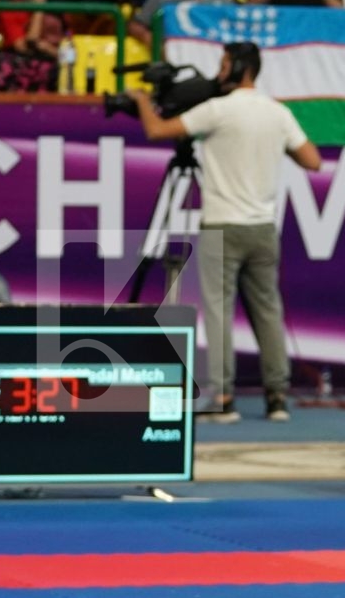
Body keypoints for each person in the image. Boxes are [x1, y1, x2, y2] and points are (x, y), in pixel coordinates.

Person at [128, 42, 323, 423]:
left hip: (223, 226)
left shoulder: (218, 110)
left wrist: (139, 100)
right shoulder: (277, 113)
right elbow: (312, 161)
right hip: (263, 228)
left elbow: (155, 129)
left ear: (238, 67)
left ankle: (225, 397)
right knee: (268, 310)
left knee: (218, 312)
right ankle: (277, 397)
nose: (218, 72)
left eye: (223, 64)